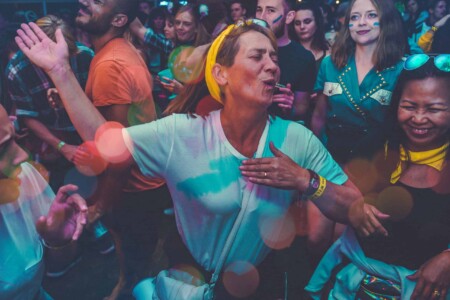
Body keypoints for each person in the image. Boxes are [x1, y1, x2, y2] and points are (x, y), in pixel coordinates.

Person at [16, 20, 387, 299]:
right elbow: (106, 141)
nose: (272, 65)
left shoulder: (296, 139)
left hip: (261, 281)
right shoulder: (183, 133)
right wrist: (61, 73)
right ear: (219, 74)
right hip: (188, 275)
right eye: (257, 56)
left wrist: (307, 181)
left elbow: (355, 207)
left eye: (274, 58)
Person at [306, 54, 450, 300]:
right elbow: (342, 204)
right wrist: (350, 208)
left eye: (434, 109)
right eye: (409, 106)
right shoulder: (377, 144)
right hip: (354, 287)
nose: (418, 118)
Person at [66, 0, 172, 299]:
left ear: (119, 19)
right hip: (146, 183)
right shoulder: (123, 51)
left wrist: (102, 206)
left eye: (99, 1)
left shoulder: (110, 64)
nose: (85, 1)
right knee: (137, 255)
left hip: (132, 189)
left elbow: (118, 155)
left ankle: (127, 288)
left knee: (134, 263)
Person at [309, 0, 406, 260]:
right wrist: (311, 162)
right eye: (355, 17)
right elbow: (318, 116)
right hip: (328, 160)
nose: (361, 22)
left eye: (370, 15)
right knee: (315, 237)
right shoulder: (330, 64)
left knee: (339, 243)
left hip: (368, 168)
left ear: (385, 21)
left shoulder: (401, 70)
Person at [0, 104, 87, 299]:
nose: (23, 156)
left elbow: (55, 266)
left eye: (15, 138)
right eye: (2, 149)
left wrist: (58, 240)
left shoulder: (23, 177)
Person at [6, 15, 94, 192]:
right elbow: (27, 117)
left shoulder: (84, 56)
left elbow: (97, 102)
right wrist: (62, 146)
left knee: (92, 188)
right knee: (57, 190)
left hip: (88, 136)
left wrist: (69, 97)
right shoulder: (17, 70)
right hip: (51, 141)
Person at [256, 0, 316, 122]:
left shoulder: (303, 58)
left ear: (289, 17)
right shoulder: (245, 50)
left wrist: (290, 107)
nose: (262, 17)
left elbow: (301, 109)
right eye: (259, 10)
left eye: (270, 11)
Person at [290, 1, 330, 74]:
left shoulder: (329, 54)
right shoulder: (288, 53)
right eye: (297, 23)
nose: (302, 27)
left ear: (317, 23)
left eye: (307, 21)